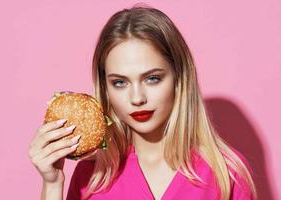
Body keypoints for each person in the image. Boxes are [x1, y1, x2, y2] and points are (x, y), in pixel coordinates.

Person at [29, 4, 257, 200]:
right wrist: (52, 184)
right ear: (105, 89)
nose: (137, 98)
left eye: (152, 79)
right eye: (120, 83)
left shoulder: (225, 174)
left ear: (179, 78)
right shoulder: (91, 176)